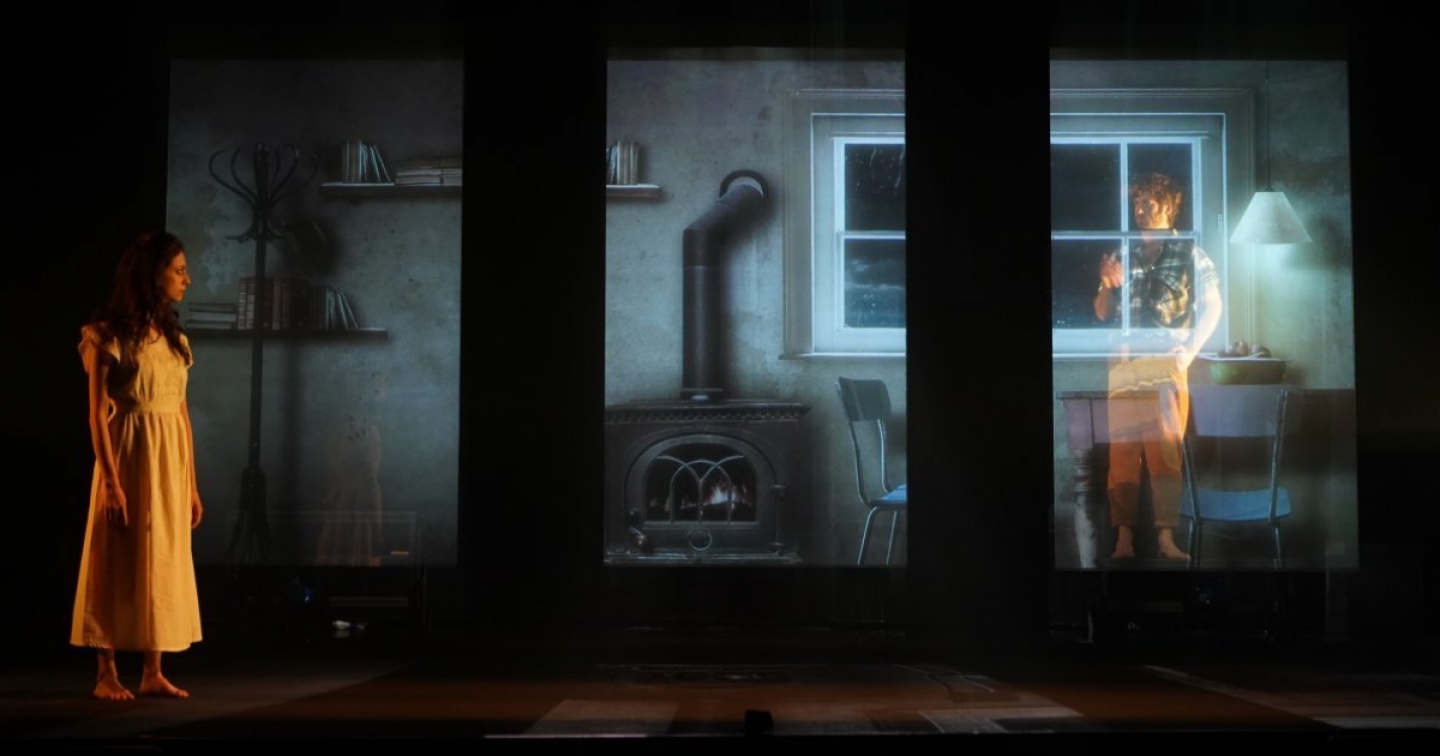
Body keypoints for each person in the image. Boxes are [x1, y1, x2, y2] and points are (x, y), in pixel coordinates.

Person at [72, 231, 203, 699]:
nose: (187, 278)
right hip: (128, 452)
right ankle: (106, 673)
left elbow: (182, 414)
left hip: (168, 461)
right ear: (153, 275)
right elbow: (96, 413)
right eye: (179, 270)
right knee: (115, 554)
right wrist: (111, 481)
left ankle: (152, 670)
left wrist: (191, 484)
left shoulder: (174, 339)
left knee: (161, 556)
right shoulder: (107, 335)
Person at [1093, 172, 1222, 561]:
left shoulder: (1190, 253)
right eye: (1136, 202)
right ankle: (1124, 538)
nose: (1139, 209)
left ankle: (1166, 538)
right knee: (1122, 452)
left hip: (1166, 363)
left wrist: (1191, 350)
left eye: (1147, 202)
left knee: (1165, 451)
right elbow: (1101, 314)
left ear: (1168, 205)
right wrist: (1106, 286)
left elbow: (1213, 307)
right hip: (1123, 362)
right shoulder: (1122, 252)